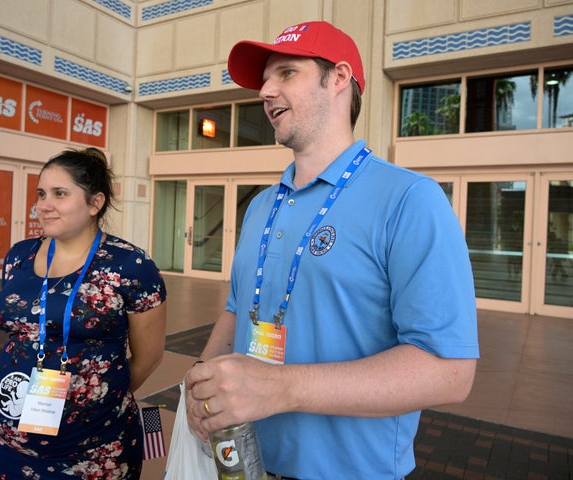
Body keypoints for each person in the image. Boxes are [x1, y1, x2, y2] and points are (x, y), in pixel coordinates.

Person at [185, 21, 479, 479]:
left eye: (285, 73)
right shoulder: (261, 205)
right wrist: (201, 375)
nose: (264, 90)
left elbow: (450, 371)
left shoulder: (408, 199)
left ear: (338, 78)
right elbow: (236, 307)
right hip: (245, 462)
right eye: (265, 79)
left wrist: (283, 388)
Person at [0, 147, 167, 479]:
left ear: (95, 203)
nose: (44, 204)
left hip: (93, 451)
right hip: (8, 448)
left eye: (60, 194)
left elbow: (148, 357)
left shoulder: (129, 265)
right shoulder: (19, 256)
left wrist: (100, 401)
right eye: (41, 193)